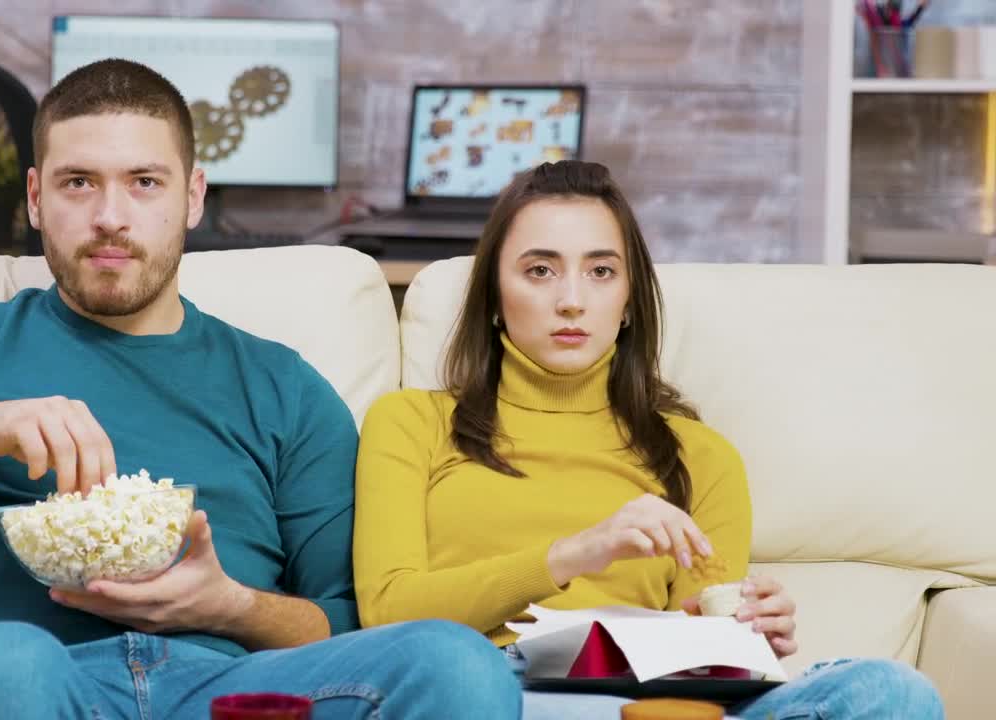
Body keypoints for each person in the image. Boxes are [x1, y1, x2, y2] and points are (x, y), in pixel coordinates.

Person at [0, 58, 519, 720]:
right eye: (79, 183)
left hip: (224, 690)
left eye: (144, 183)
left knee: (456, 662)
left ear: (192, 197)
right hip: (21, 686)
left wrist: (232, 607)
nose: (110, 218)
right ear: (36, 197)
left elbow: (350, 622)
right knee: (6, 662)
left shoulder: (284, 387)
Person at [352, 160, 945, 719]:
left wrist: (745, 633)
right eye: (540, 270)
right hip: (493, 691)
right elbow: (388, 613)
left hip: (645, 697)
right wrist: (574, 554)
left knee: (891, 691)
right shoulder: (411, 423)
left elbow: (701, 654)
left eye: (601, 271)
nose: (572, 301)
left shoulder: (699, 456)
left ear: (630, 300)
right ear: (494, 299)